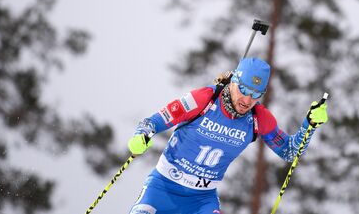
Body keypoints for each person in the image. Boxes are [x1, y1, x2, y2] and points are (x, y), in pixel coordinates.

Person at [127, 57, 328, 214]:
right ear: (233, 81)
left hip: (202, 200)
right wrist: (142, 135)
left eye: (256, 94)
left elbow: (290, 152)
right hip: (162, 188)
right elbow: (153, 122)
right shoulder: (203, 99)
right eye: (243, 89)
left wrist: (309, 124)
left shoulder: (259, 118)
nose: (247, 99)